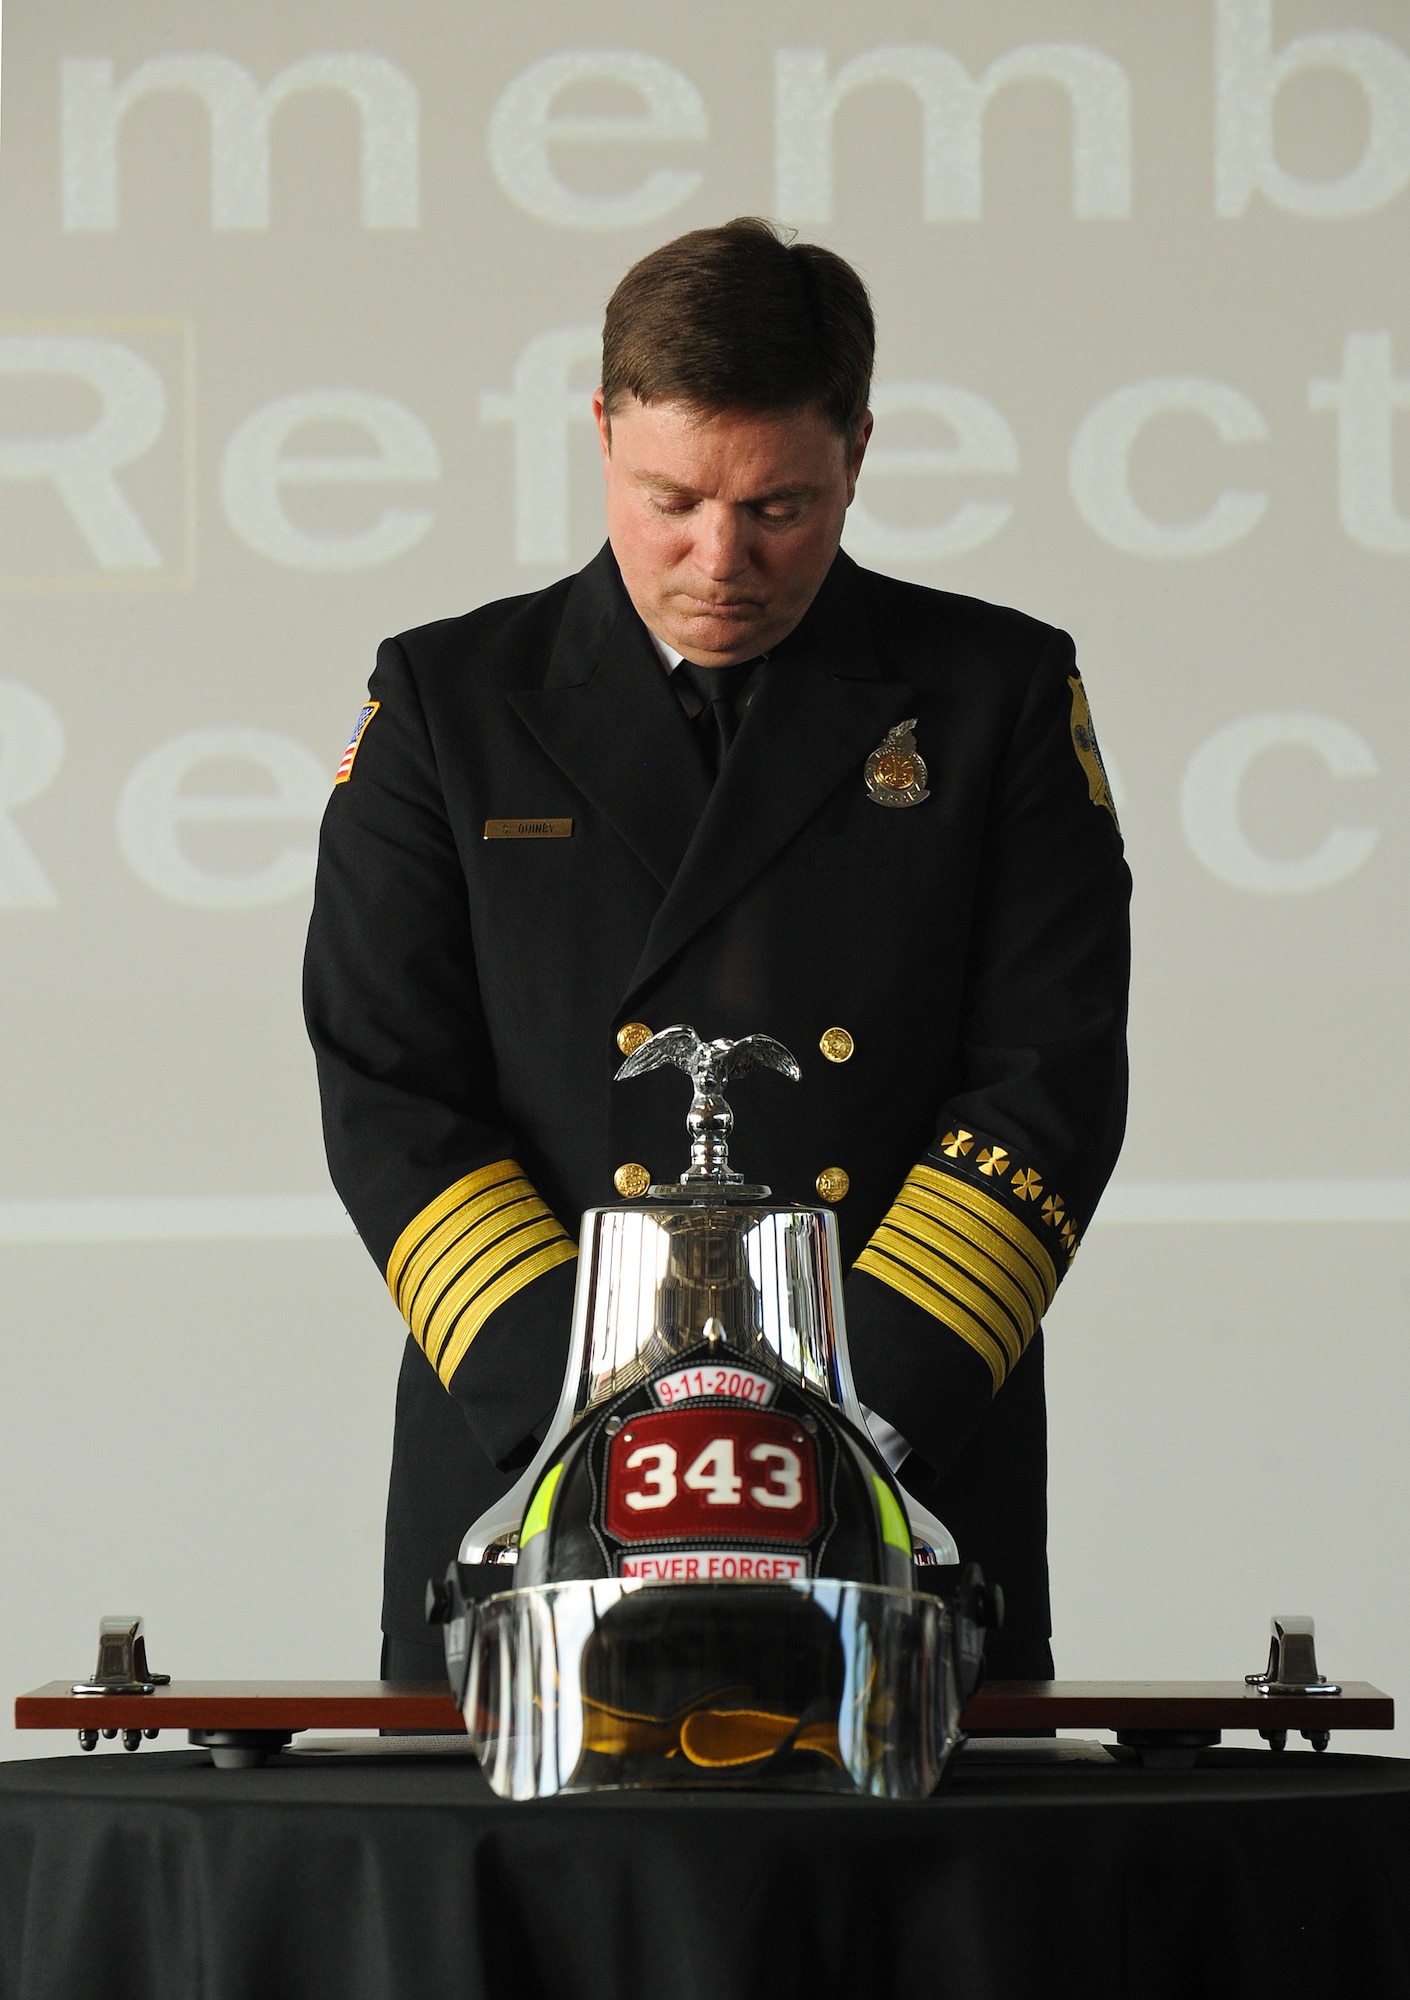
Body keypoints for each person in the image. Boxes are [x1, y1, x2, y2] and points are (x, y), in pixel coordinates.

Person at [304, 218, 1131, 1682]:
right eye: (671, 499)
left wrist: (846, 1416)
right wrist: (596, 1408)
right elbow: (391, 1088)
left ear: (859, 450)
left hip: (902, 1472)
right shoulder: (447, 699)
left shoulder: (995, 691)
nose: (720, 562)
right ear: (602, 428)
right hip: (535, 1465)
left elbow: (1044, 1082)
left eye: (780, 509)